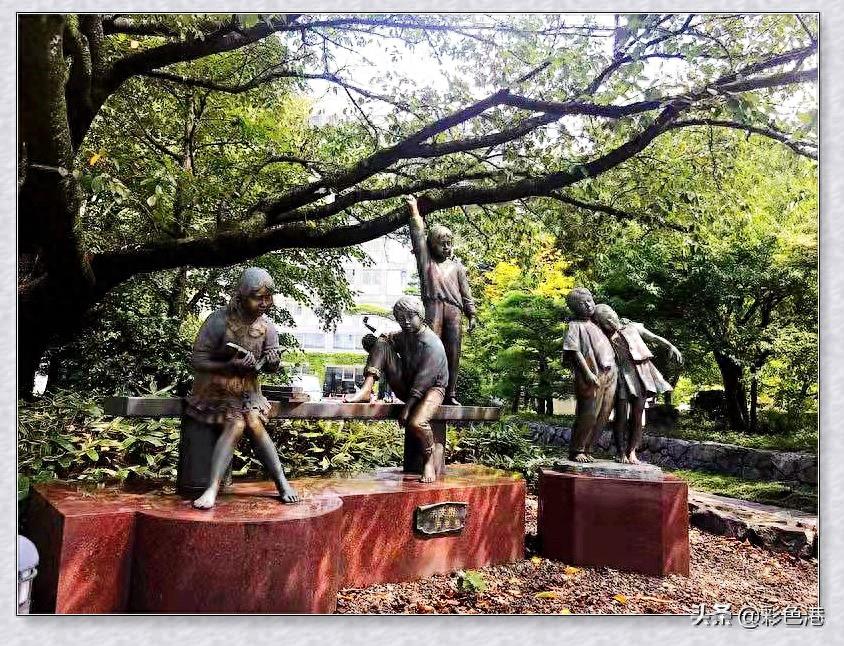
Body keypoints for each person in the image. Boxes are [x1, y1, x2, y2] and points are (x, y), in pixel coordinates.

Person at [187, 267, 299, 509]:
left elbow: (268, 368)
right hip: (217, 390)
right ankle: (212, 488)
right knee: (237, 423)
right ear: (241, 296)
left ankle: (281, 482)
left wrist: (272, 362)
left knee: (254, 422)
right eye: (258, 298)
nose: (265, 303)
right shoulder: (218, 320)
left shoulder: (268, 327)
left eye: (268, 298)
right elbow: (197, 360)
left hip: (249, 392)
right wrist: (228, 363)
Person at [346, 296, 449, 482]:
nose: (406, 322)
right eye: (401, 319)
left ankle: (428, 459)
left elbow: (423, 382)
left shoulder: (432, 345)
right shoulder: (404, 335)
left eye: (410, 317)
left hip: (431, 389)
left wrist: (407, 409)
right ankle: (367, 389)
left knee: (417, 422)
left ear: (421, 316)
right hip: (408, 383)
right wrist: (374, 342)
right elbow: (387, 342)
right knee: (382, 343)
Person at [406, 196, 476, 405]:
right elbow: (418, 236)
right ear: (432, 245)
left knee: (453, 351)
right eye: (441, 243)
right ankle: (426, 390)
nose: (446, 247)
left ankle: (450, 392)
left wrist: (471, 314)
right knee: (431, 347)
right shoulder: (426, 262)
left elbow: (466, 293)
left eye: (449, 243)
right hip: (433, 306)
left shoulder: (457, 267)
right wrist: (414, 213)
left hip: (454, 311)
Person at [592, 304, 682, 464]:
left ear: (614, 313)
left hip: (641, 375)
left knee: (637, 416)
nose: (610, 321)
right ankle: (620, 452)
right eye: (604, 320)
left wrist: (670, 346)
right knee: (620, 416)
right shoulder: (603, 337)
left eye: (610, 316)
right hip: (619, 378)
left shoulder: (633, 327)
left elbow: (653, 337)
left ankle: (632, 451)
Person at [563, 288, 618, 463]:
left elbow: (614, 326)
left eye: (590, 300)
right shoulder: (574, 326)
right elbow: (574, 351)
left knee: (604, 413)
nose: (588, 305)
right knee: (589, 413)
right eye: (582, 303)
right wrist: (587, 373)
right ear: (574, 308)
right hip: (591, 374)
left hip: (610, 372)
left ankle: (588, 448)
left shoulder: (596, 324)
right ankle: (577, 449)